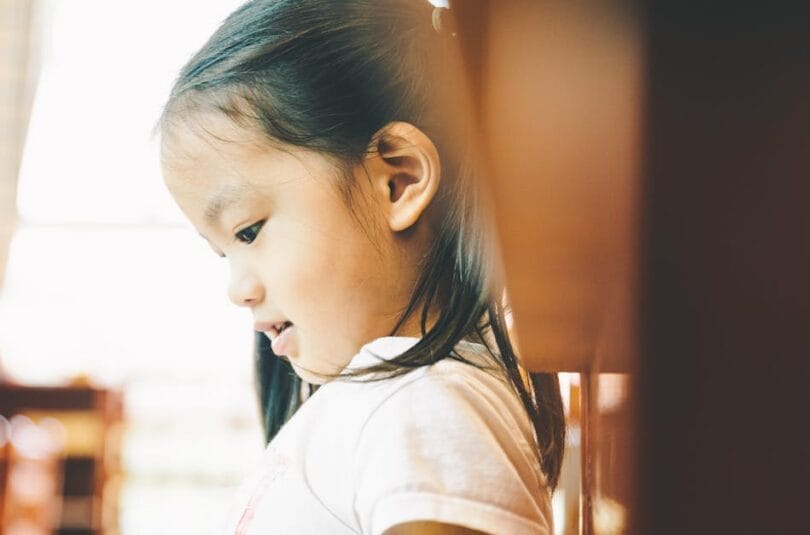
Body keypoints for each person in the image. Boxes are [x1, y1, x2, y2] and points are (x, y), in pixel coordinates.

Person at [157, 1, 565, 533]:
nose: (236, 290)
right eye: (223, 253)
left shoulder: (427, 402)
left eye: (248, 231)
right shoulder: (387, 399)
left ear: (398, 182)